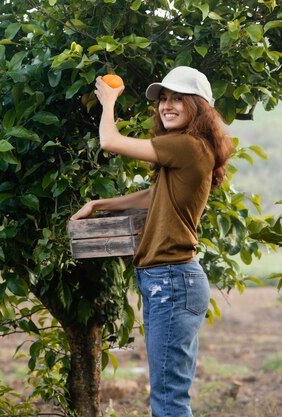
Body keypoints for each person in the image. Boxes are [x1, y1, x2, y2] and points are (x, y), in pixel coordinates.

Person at [71, 66, 233, 416]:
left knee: (168, 398)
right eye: (163, 99)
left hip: (172, 281)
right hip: (169, 281)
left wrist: (109, 102)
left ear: (199, 106)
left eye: (177, 99)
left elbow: (109, 142)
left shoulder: (188, 145)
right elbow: (153, 195)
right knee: (168, 393)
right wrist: (101, 204)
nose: (166, 106)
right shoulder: (190, 149)